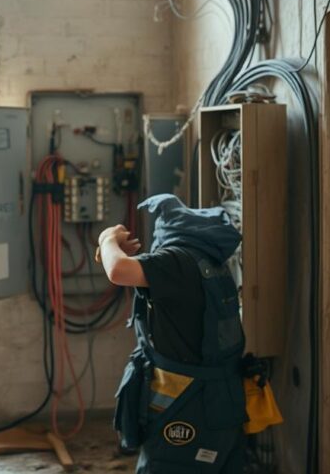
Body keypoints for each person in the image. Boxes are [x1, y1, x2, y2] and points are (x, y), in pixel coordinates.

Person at [97, 193, 246, 473]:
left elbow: (117, 270)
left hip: (186, 406)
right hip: (223, 403)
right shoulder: (210, 264)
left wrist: (107, 238)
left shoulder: (176, 261)